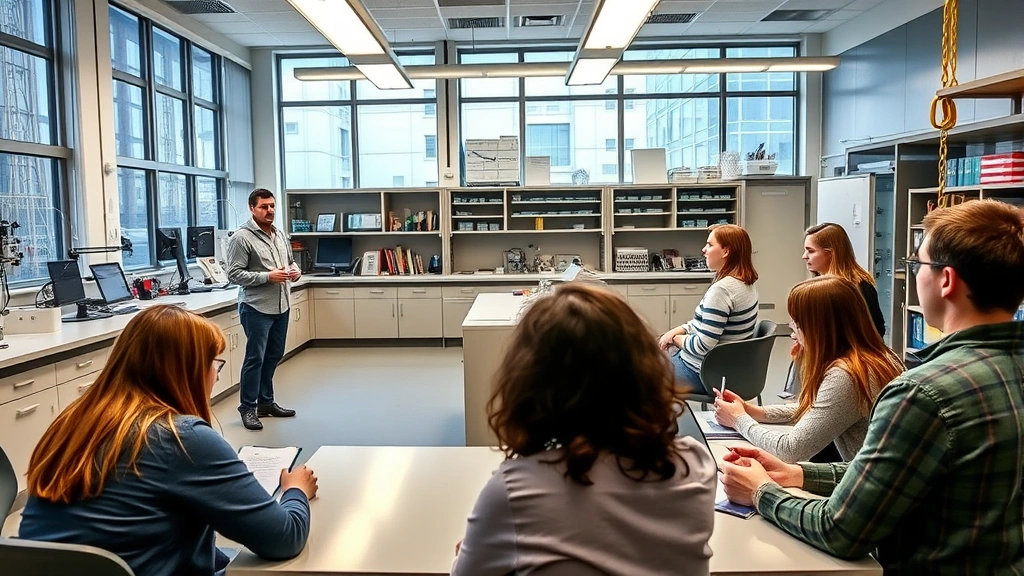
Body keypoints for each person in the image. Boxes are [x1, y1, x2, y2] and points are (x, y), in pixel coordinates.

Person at [720, 200, 1024, 574]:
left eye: (917, 265)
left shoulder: (924, 392)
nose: (914, 275)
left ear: (946, 280)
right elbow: (891, 475)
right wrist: (798, 474)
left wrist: (760, 492)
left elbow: (840, 530)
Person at [18, 305, 318, 576]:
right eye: (216, 364)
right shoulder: (181, 437)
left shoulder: (73, 422)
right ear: (186, 370)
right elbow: (284, 538)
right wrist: (295, 491)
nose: (215, 377)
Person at [451, 283, 716, 575]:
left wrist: (471, 549)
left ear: (532, 383)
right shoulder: (697, 465)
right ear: (642, 366)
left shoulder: (514, 490)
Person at [712, 275, 904, 463]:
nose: (791, 327)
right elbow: (823, 409)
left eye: (796, 321)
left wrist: (739, 419)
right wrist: (756, 412)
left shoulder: (846, 376)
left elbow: (790, 450)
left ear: (818, 327)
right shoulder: (883, 358)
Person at [226, 188, 302, 431]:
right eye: (263, 207)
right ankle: (247, 407)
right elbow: (234, 274)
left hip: (282, 305)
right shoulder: (241, 238)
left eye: (271, 206)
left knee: (273, 355)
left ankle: (265, 403)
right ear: (252, 208)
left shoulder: (279, 234)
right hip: (256, 307)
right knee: (255, 358)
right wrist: (267, 276)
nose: (269, 211)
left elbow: (290, 260)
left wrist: (295, 270)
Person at [659, 223, 759, 390]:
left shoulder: (722, 290)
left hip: (701, 372)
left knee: (637, 370)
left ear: (726, 251)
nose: (704, 250)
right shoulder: (745, 283)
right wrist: (680, 329)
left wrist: (676, 340)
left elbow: (702, 345)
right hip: (727, 369)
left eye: (710, 245)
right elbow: (708, 324)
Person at [803, 222, 885, 336]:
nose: (804, 256)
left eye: (811, 251)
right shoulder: (815, 285)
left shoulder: (860, 288)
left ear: (831, 253)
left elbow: (875, 330)